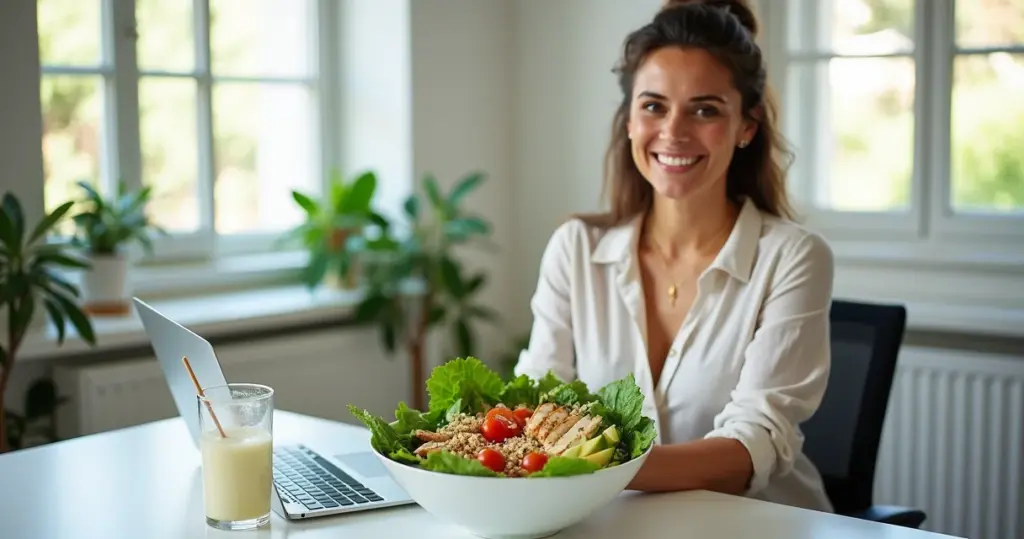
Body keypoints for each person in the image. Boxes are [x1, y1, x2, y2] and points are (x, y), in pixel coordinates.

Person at [513, 0, 835, 513]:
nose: (674, 131)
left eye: (705, 109)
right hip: (615, 523)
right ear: (628, 120)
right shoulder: (575, 248)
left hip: (761, 525)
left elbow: (753, 445)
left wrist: (592, 467)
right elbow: (533, 401)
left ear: (747, 126)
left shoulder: (794, 257)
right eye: (654, 105)